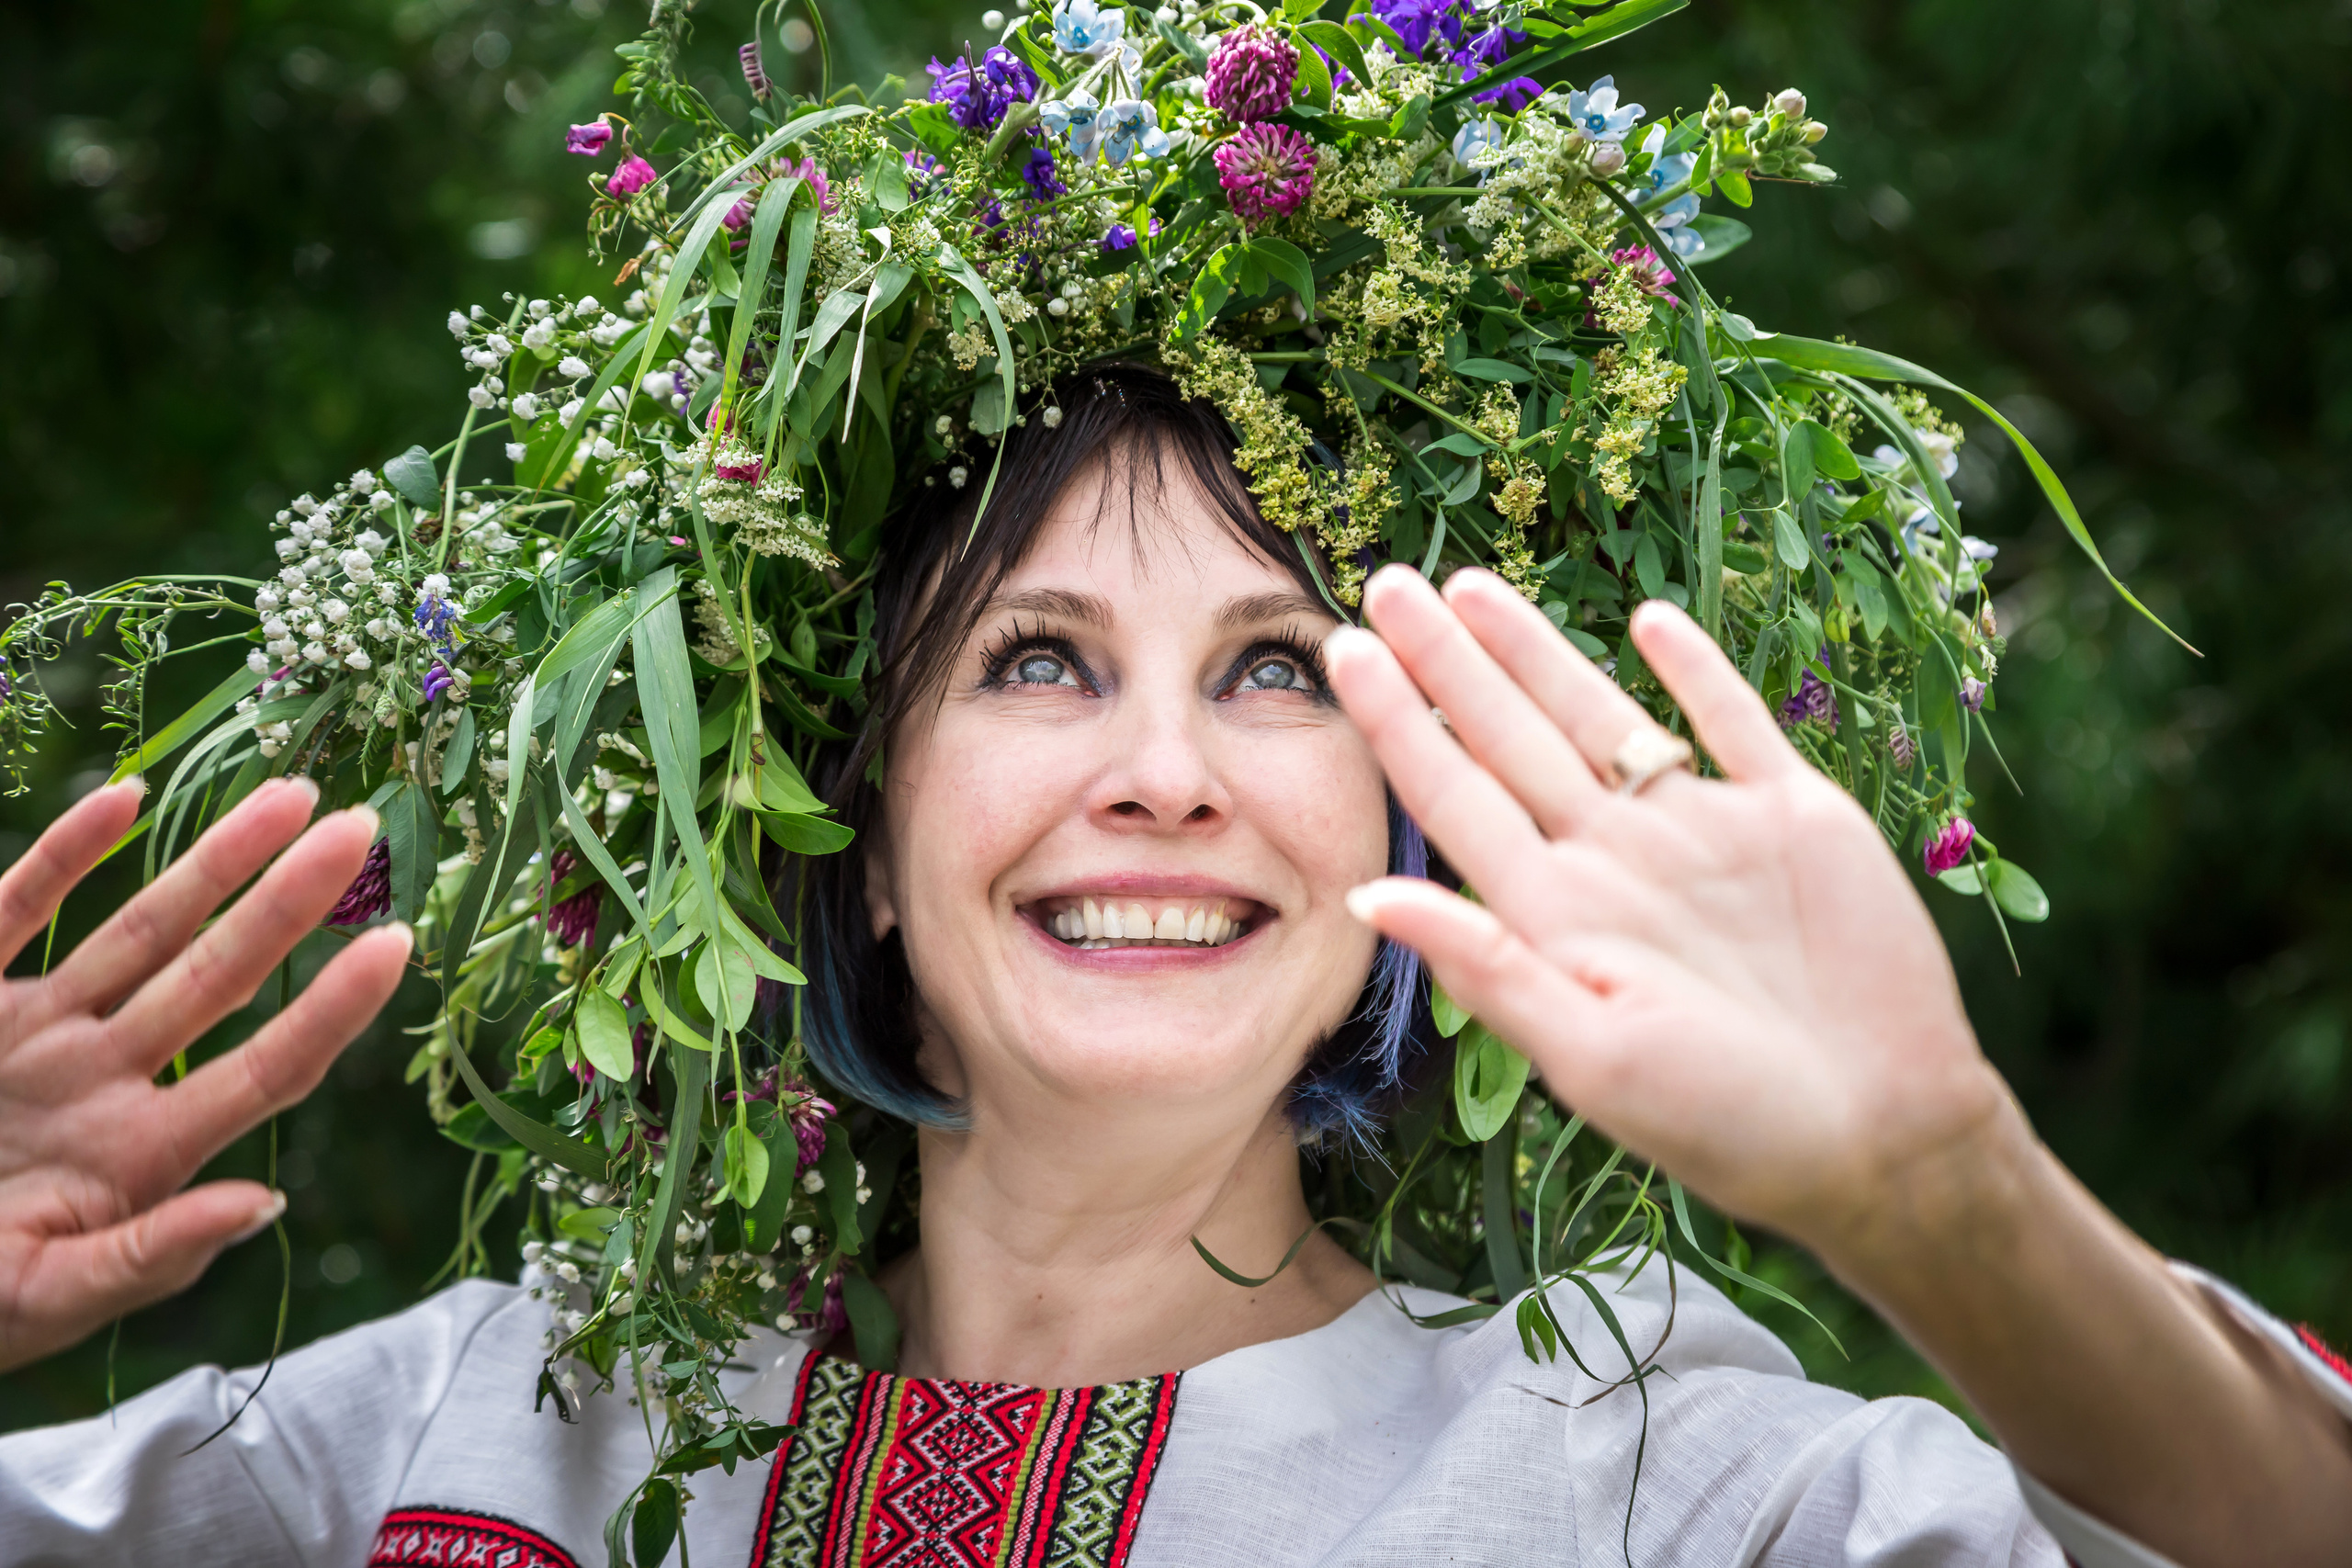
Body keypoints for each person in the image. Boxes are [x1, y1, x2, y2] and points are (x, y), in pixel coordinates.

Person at [0, 370, 2347, 1568]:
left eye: (1274, 672)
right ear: (855, 837)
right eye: (1034, 659)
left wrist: (1938, 1186)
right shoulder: (494, 1411)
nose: (1161, 772)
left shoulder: (1638, 1475)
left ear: (1410, 820)